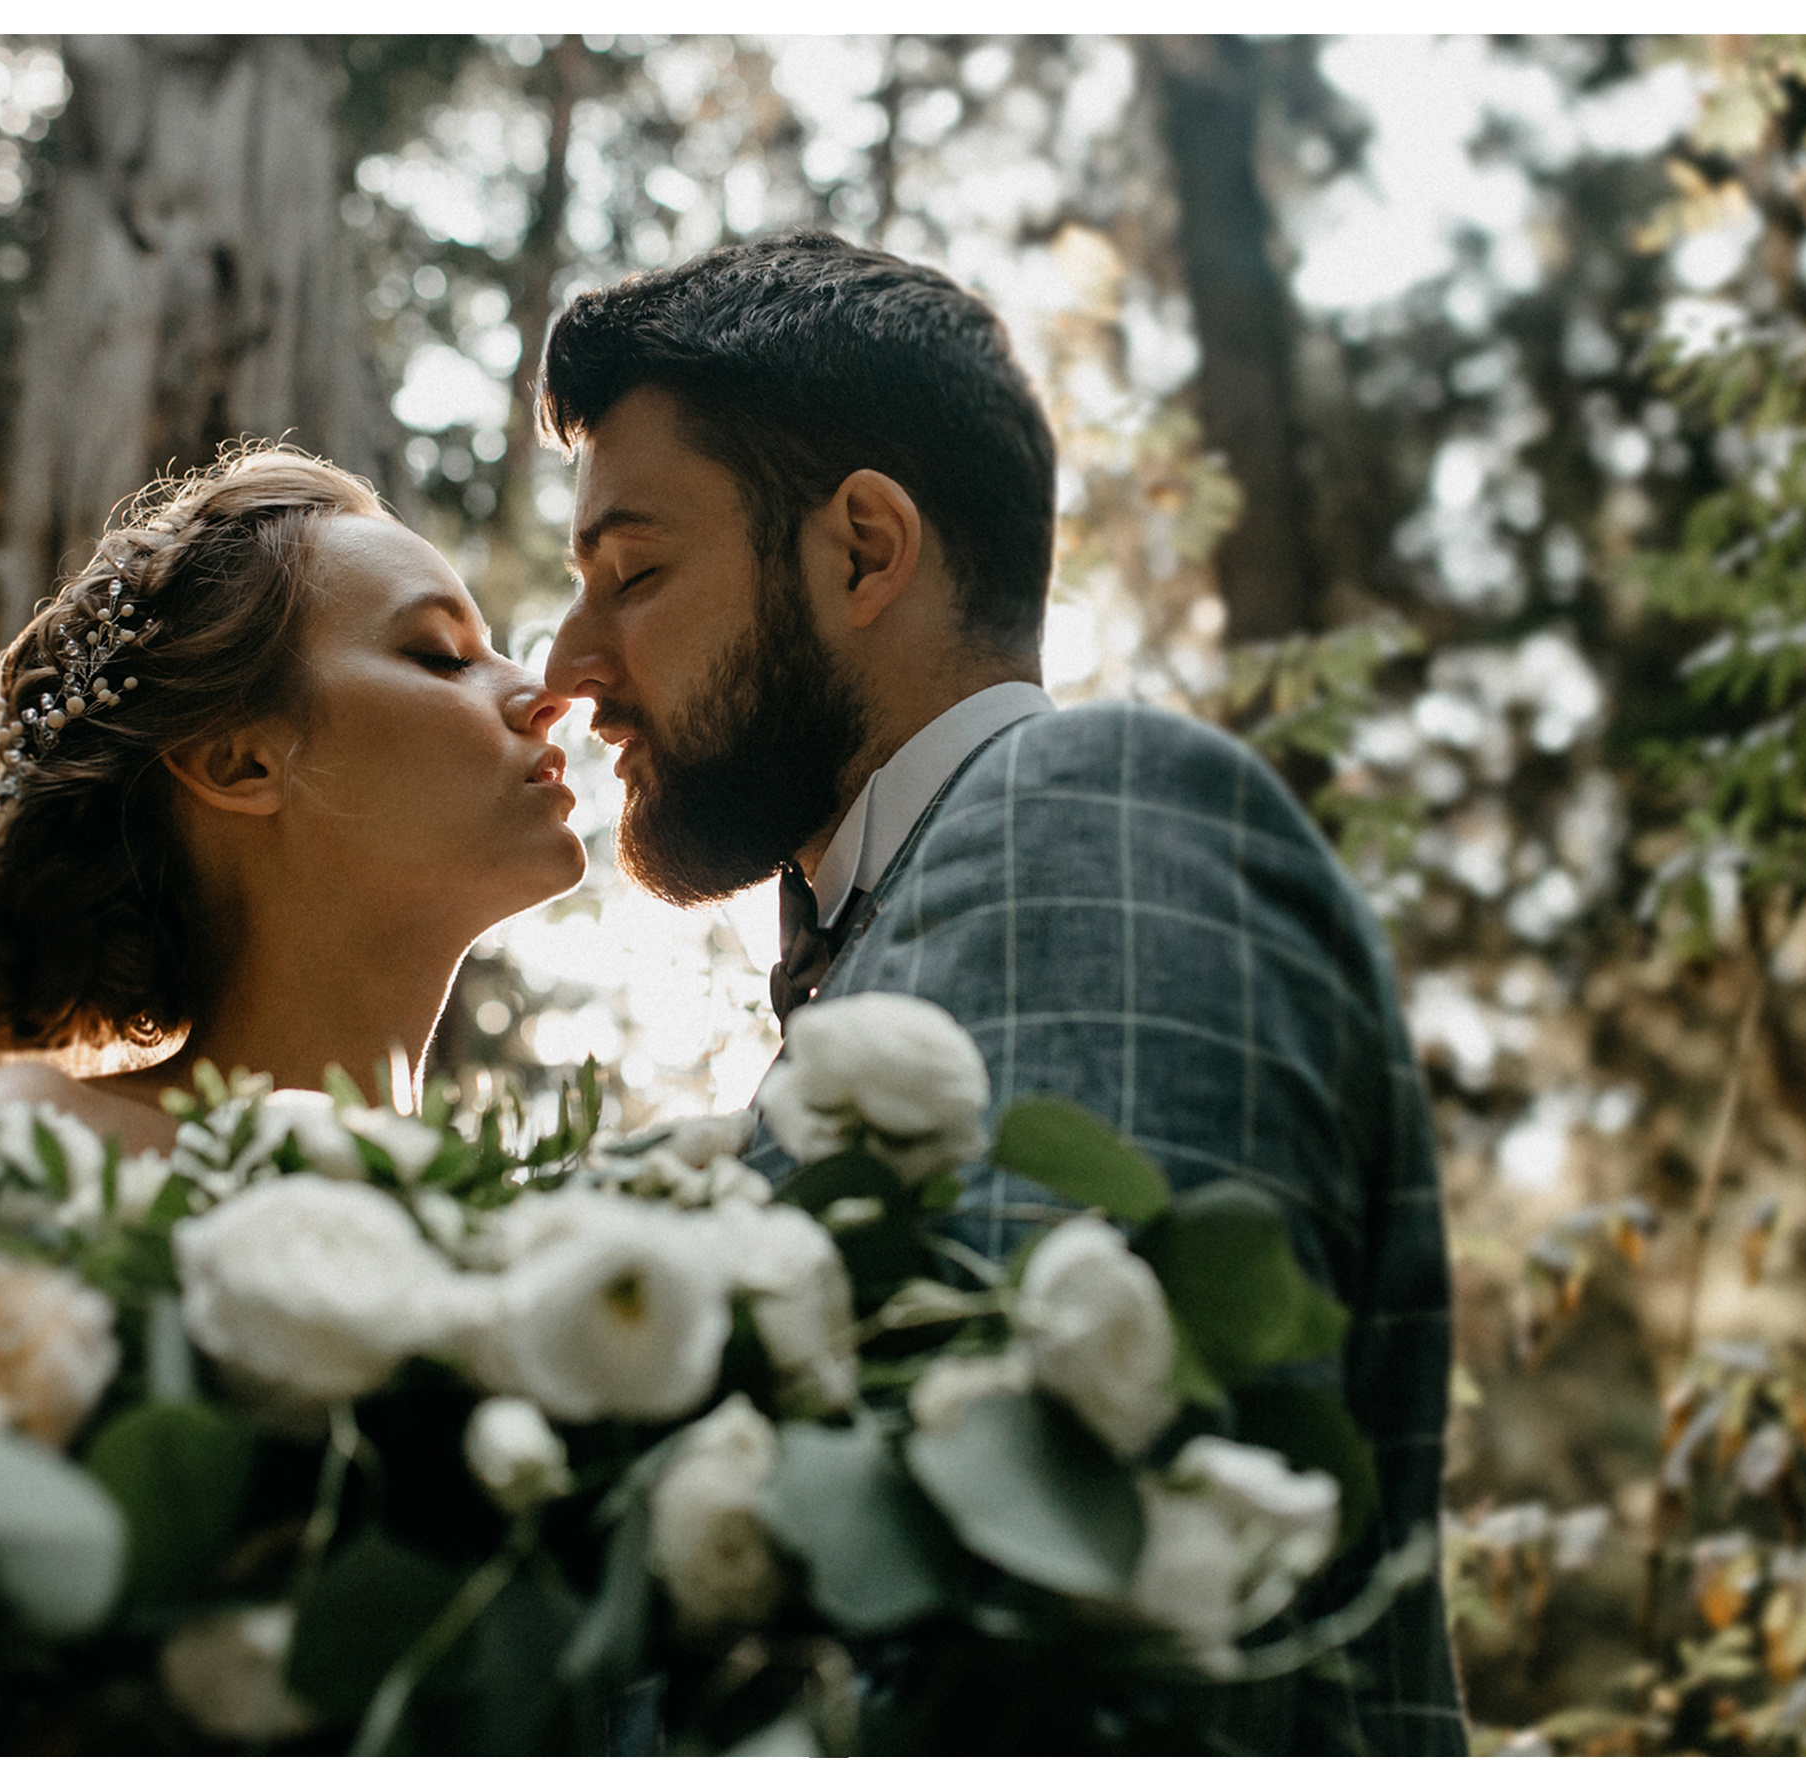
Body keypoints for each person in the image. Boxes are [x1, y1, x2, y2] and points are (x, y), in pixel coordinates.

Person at [540, 232, 1466, 1753]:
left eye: (633, 572)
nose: (572, 665)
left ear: (862, 551)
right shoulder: (890, 950)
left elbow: (1055, 1634)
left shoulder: (1088, 817)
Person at [0, 444, 582, 1149]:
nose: (547, 695)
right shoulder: (25, 1143)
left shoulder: (528, 1222)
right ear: (239, 764)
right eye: (442, 655)